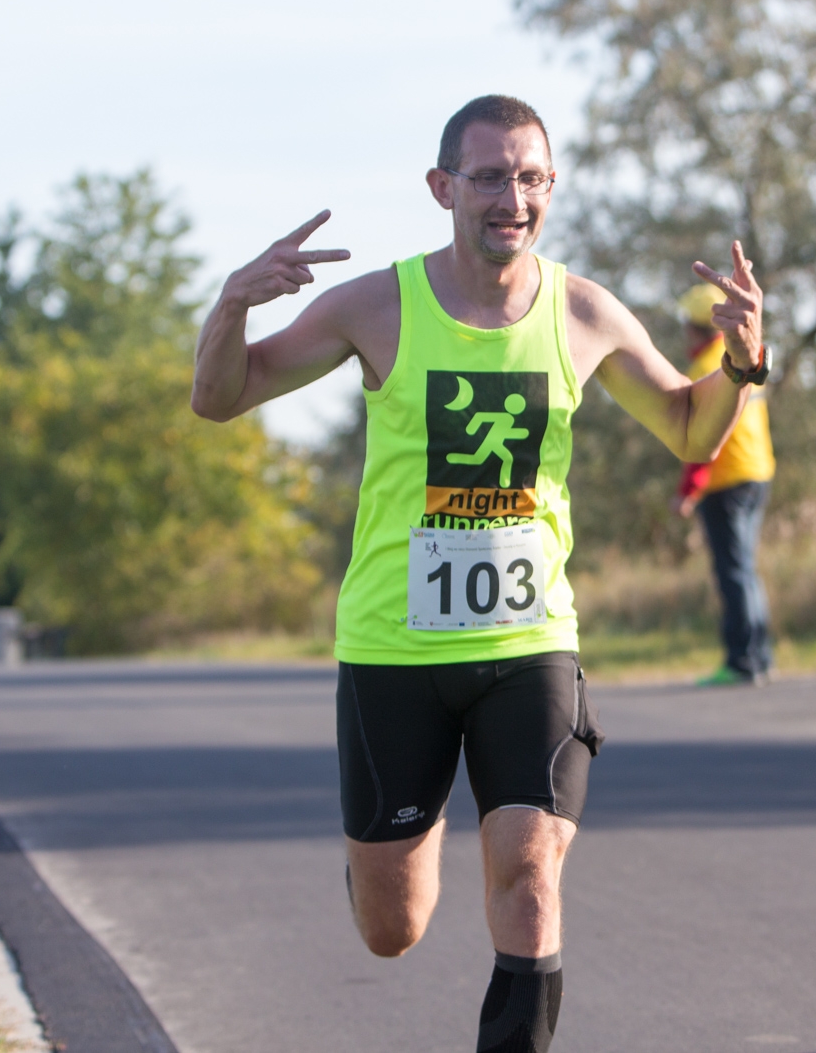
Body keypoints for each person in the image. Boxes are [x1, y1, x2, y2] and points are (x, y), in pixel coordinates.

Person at [190, 95, 768, 1053]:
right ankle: (389, 851)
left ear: (551, 189)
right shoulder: (375, 306)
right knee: (392, 928)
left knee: (531, 878)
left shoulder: (584, 310)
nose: (513, 197)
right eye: (491, 176)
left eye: (532, 177)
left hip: (530, 639)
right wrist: (232, 304)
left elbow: (687, 427)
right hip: (393, 648)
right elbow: (222, 396)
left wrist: (745, 366)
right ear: (444, 187)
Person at [673, 282, 777, 686]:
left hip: (727, 481)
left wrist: (687, 493)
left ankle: (742, 661)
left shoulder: (706, 369)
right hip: (758, 473)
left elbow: (701, 443)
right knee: (746, 570)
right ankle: (760, 656)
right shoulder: (741, 357)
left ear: (696, 328)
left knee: (733, 572)